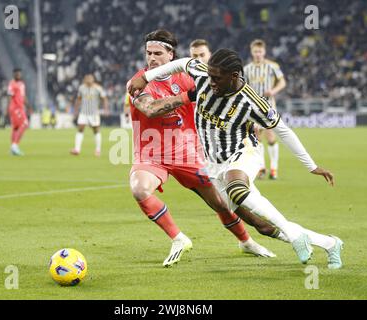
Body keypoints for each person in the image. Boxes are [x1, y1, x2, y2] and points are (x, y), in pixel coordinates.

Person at [128, 49, 344, 269]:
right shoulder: (204, 77)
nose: (210, 82)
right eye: (210, 76)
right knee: (260, 224)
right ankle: (330, 243)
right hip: (214, 164)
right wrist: (145, 77)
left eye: (217, 78)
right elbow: (182, 63)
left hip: (244, 153)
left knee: (237, 188)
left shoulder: (252, 102)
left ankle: (294, 236)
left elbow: (283, 130)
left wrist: (311, 166)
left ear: (234, 76)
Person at [127, 29, 278, 268]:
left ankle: (246, 241)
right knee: (139, 189)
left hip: (187, 151)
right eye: (148, 53)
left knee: (220, 202)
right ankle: (178, 238)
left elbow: (228, 98)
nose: (152, 58)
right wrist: (189, 96)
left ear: (171, 55)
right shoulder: (139, 82)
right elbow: (151, 109)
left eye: (157, 53)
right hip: (151, 152)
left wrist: (249, 123)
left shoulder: (188, 78)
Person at [244, 39, 286, 179]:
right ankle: (261, 167)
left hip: (268, 106)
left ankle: (274, 168)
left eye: (260, 51)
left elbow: (282, 81)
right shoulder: (247, 69)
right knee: (256, 136)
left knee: (270, 135)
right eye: (255, 51)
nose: (258, 54)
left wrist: (274, 91)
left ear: (264, 52)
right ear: (252, 52)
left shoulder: (272, 66)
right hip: (253, 107)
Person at [70, 74, 109, 156]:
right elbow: (79, 99)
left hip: (94, 113)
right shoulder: (81, 88)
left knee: (96, 130)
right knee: (80, 128)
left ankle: (98, 150)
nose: (88, 80)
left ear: (93, 80)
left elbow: (104, 98)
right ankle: (77, 149)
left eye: (90, 79)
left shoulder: (98, 88)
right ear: (84, 80)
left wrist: (106, 109)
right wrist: (76, 110)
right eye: (86, 79)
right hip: (83, 113)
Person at [7, 68, 30, 156]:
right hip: (15, 108)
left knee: (16, 128)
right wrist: (9, 108)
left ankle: (13, 148)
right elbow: (9, 96)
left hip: (20, 108)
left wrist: (28, 107)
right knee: (25, 124)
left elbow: (23, 97)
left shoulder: (22, 84)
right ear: (13, 74)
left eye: (19, 74)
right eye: (16, 74)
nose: (18, 75)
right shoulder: (12, 84)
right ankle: (15, 145)